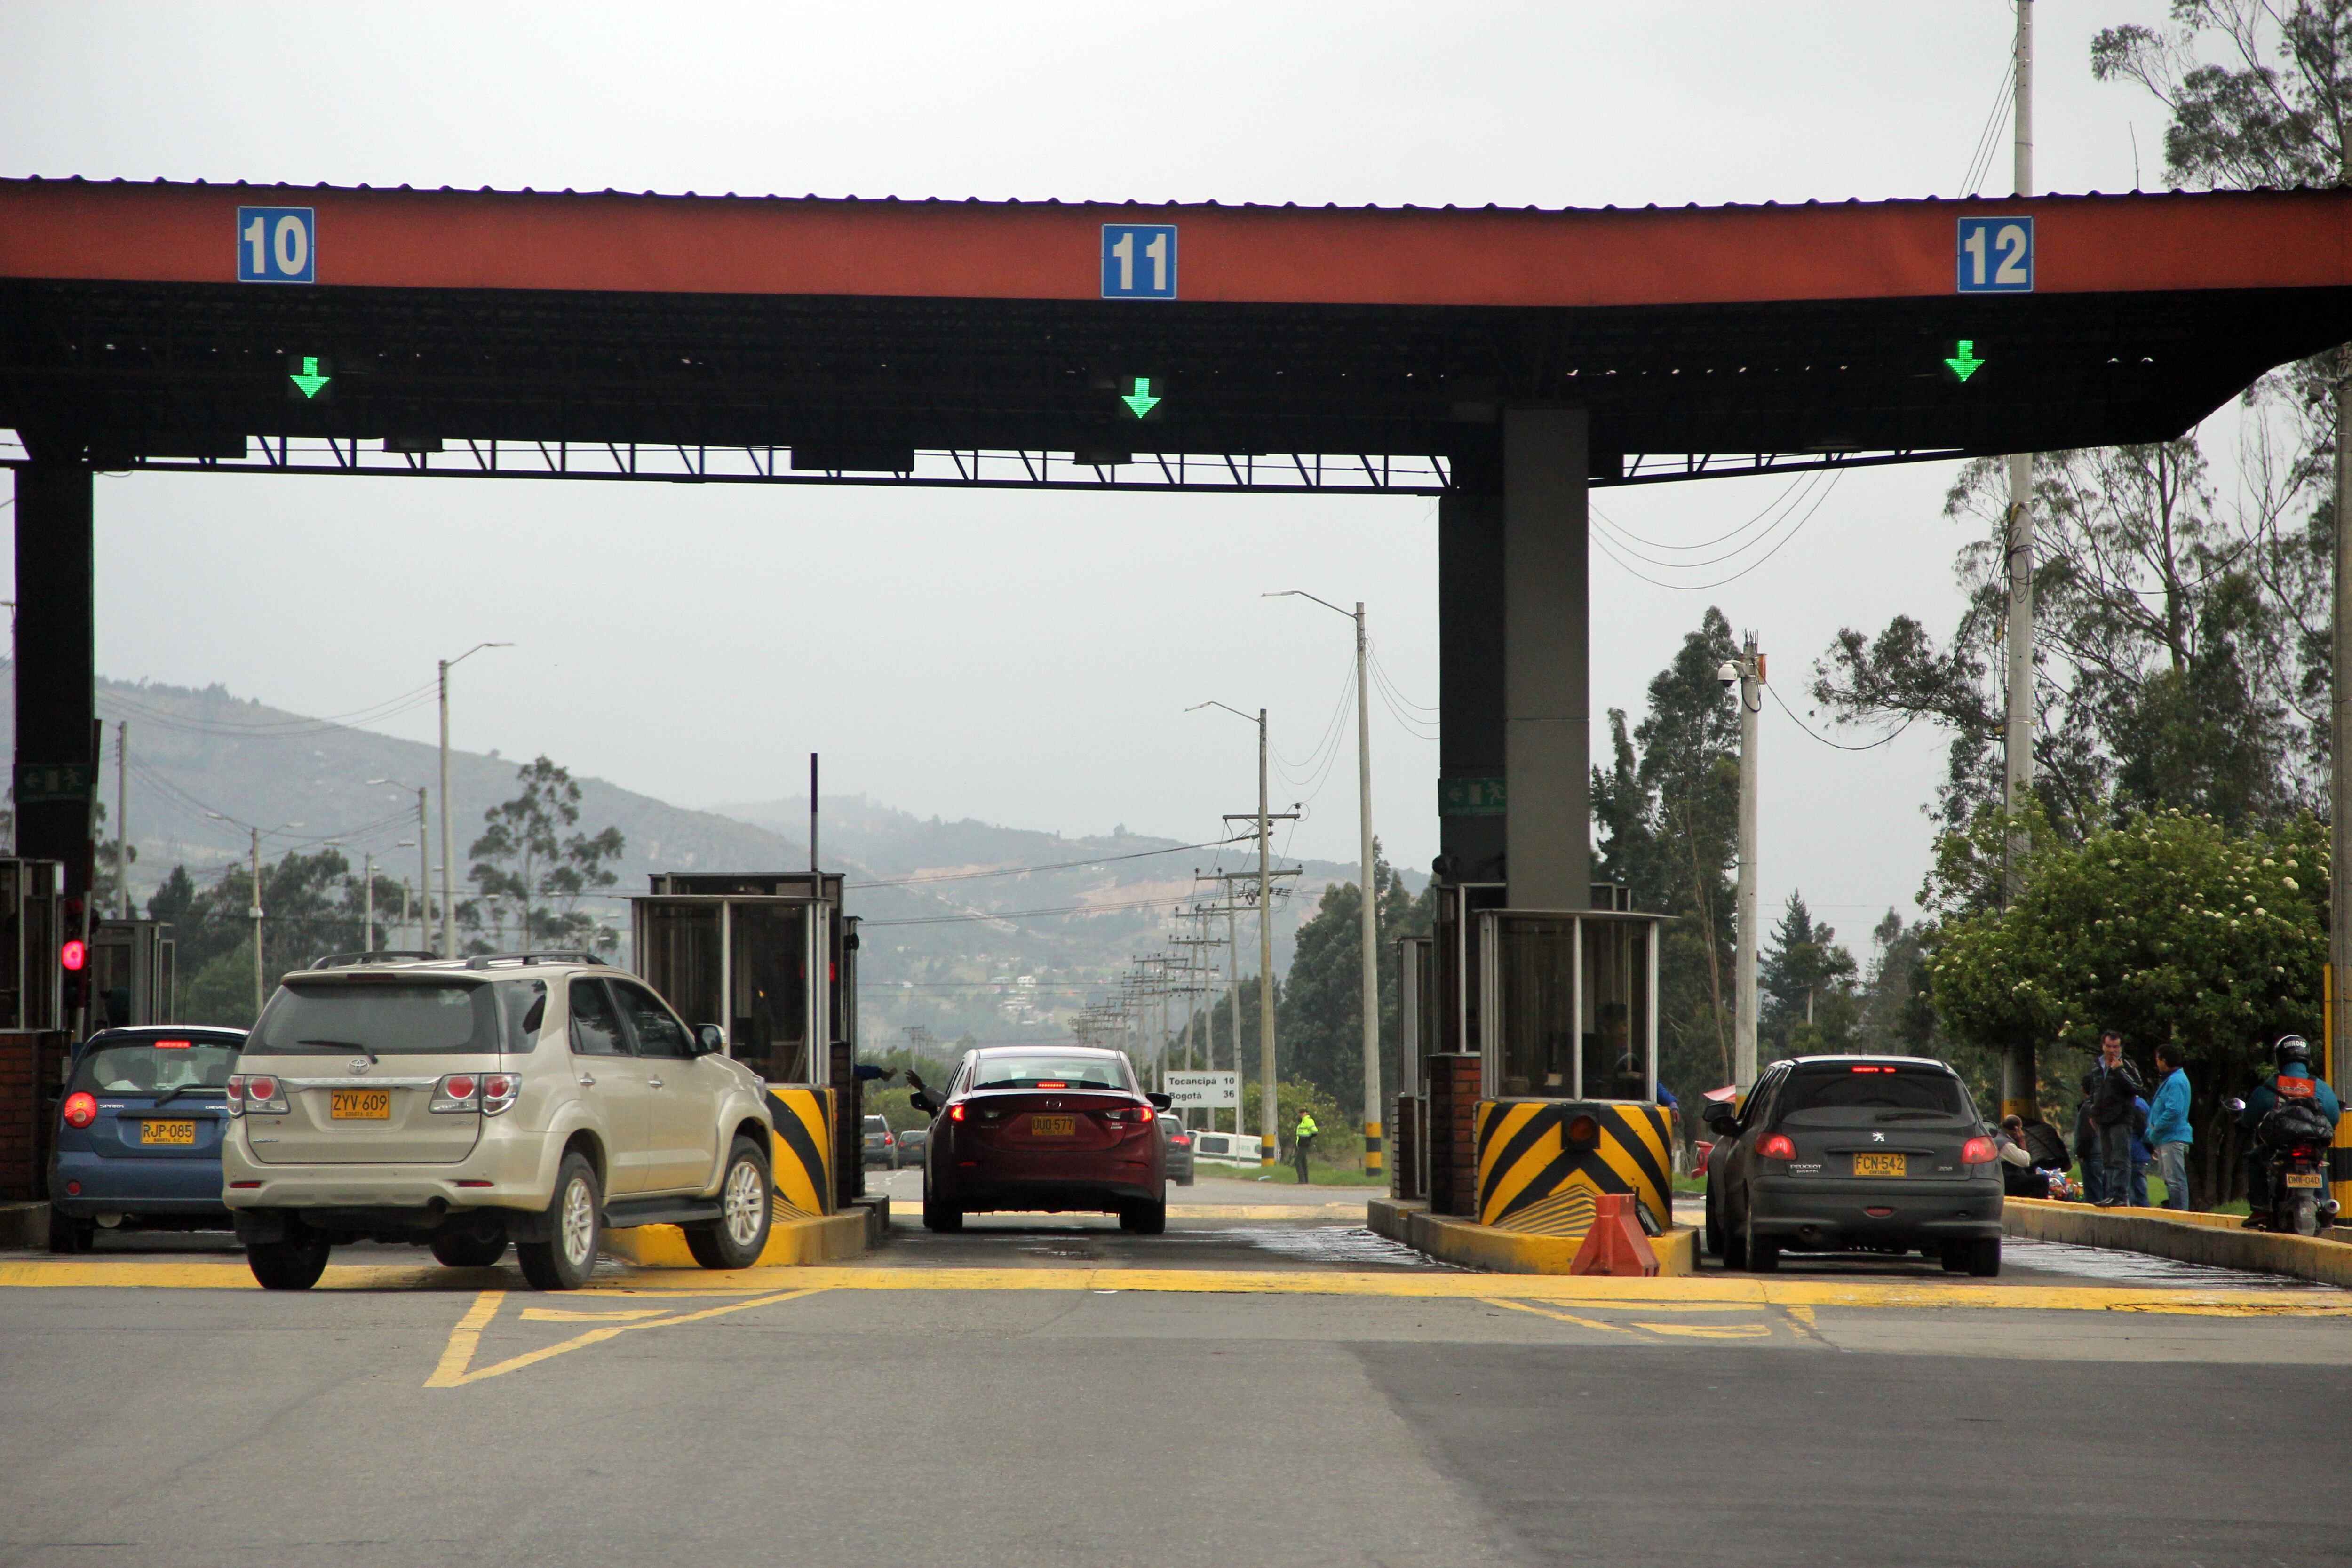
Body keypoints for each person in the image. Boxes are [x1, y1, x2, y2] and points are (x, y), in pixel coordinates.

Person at [2238, 1035, 2342, 1226]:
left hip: (2279, 1148)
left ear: (2280, 1059)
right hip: (2311, 1147)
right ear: (2307, 1058)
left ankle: (2260, 1208)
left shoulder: (2269, 1087)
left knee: (2255, 1158)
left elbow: (2250, 1119)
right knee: (2320, 1161)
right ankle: (2326, 1203)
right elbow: (2334, 1118)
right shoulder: (2321, 1088)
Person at [2081, 1030, 2146, 1208]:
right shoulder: (2098, 1067)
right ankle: (2110, 1193)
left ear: (2121, 1048)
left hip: (2121, 1117)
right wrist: (2093, 1112)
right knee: (2107, 1159)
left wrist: (2119, 1071)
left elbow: (2137, 1088)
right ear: (2103, 1046)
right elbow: (2094, 1091)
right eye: (2108, 1046)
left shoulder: (2127, 1065)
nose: (2111, 1051)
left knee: (2120, 1158)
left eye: (2115, 1047)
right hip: (2102, 1118)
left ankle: (2119, 1195)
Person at [2144, 1043, 2193, 1210]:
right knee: (2170, 1178)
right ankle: (2175, 1209)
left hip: (2172, 1136)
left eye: (2158, 1060)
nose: (2157, 1063)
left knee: (2175, 1179)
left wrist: (2156, 1127)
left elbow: (2174, 1111)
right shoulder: (2173, 1080)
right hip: (2166, 1137)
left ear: (2164, 1060)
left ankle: (2180, 1213)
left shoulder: (2176, 1082)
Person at [1994, 1114, 2049, 1199]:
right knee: (2043, 1180)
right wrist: (2022, 1141)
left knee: (2032, 1170)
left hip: (2002, 1178)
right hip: (2007, 1182)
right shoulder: (2006, 1145)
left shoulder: (1998, 1137)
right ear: (2017, 1129)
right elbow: (2025, 1161)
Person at [2072, 1093, 2106, 1205]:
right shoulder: (2105, 1105)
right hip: (2104, 1155)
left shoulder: (2087, 1108)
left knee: (2094, 1197)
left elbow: (2086, 1135)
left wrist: (2080, 1153)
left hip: (2092, 1156)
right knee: (2105, 1193)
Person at [2127, 1095, 2153, 1209]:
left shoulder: (2134, 1105)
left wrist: (2150, 1149)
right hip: (2141, 1152)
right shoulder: (2142, 1103)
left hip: (2135, 1152)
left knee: (2138, 1194)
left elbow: (2142, 1130)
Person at [1292, 1107, 1319, 1184]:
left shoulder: (1308, 1121)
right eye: (1300, 1113)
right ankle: (1305, 1180)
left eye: (1303, 1112)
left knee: (1298, 1161)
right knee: (1303, 1161)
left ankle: (1302, 1180)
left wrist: (1308, 1139)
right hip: (1301, 1144)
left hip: (1304, 1144)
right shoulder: (1302, 1122)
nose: (1301, 1114)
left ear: (1307, 1113)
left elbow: (1315, 1132)